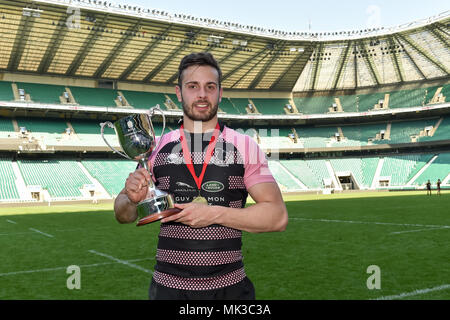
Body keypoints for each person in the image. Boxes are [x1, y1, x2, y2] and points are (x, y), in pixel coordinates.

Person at [114, 52, 288, 300]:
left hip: (231, 290)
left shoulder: (245, 146)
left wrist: (215, 214)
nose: (202, 95)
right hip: (167, 290)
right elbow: (123, 215)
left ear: (220, 92)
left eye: (210, 87)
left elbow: (277, 217)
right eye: (192, 86)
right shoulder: (155, 148)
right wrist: (131, 198)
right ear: (178, 92)